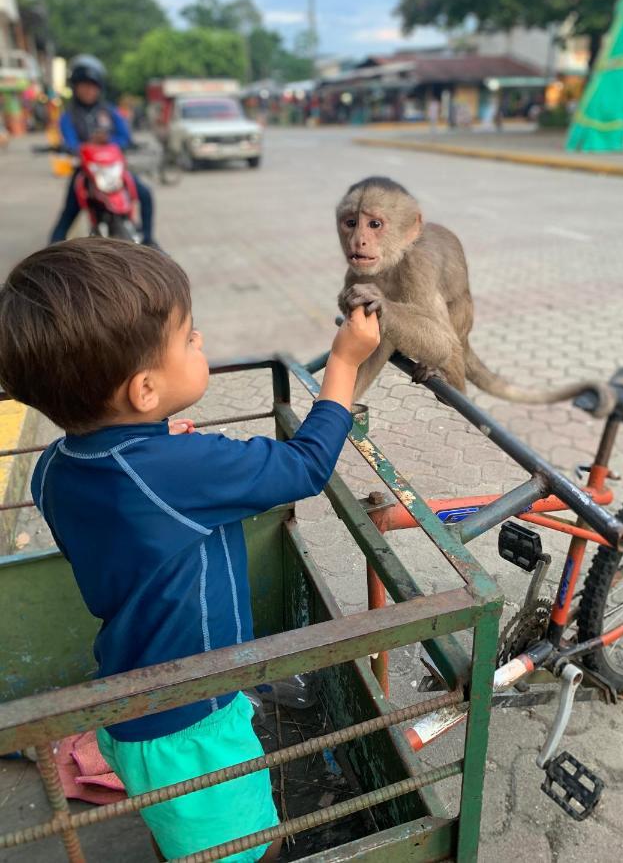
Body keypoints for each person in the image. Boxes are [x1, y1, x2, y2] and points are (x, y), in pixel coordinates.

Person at [0, 238, 380, 862]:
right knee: (247, 848)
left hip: (131, 695)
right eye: (189, 338)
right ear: (144, 389)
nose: (201, 341)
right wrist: (345, 363)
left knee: (183, 831)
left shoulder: (55, 466)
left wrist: (154, 443)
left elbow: (130, 503)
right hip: (192, 720)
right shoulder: (174, 470)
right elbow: (305, 466)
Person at [50, 55, 157, 246]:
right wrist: (84, 145)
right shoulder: (69, 116)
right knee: (69, 212)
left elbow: (125, 137)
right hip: (87, 172)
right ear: (75, 87)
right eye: (83, 85)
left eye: (93, 85)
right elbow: (70, 142)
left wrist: (110, 140)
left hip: (115, 170)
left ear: (99, 88)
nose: (88, 90)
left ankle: (149, 240)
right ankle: (50, 254)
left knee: (145, 194)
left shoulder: (110, 111)